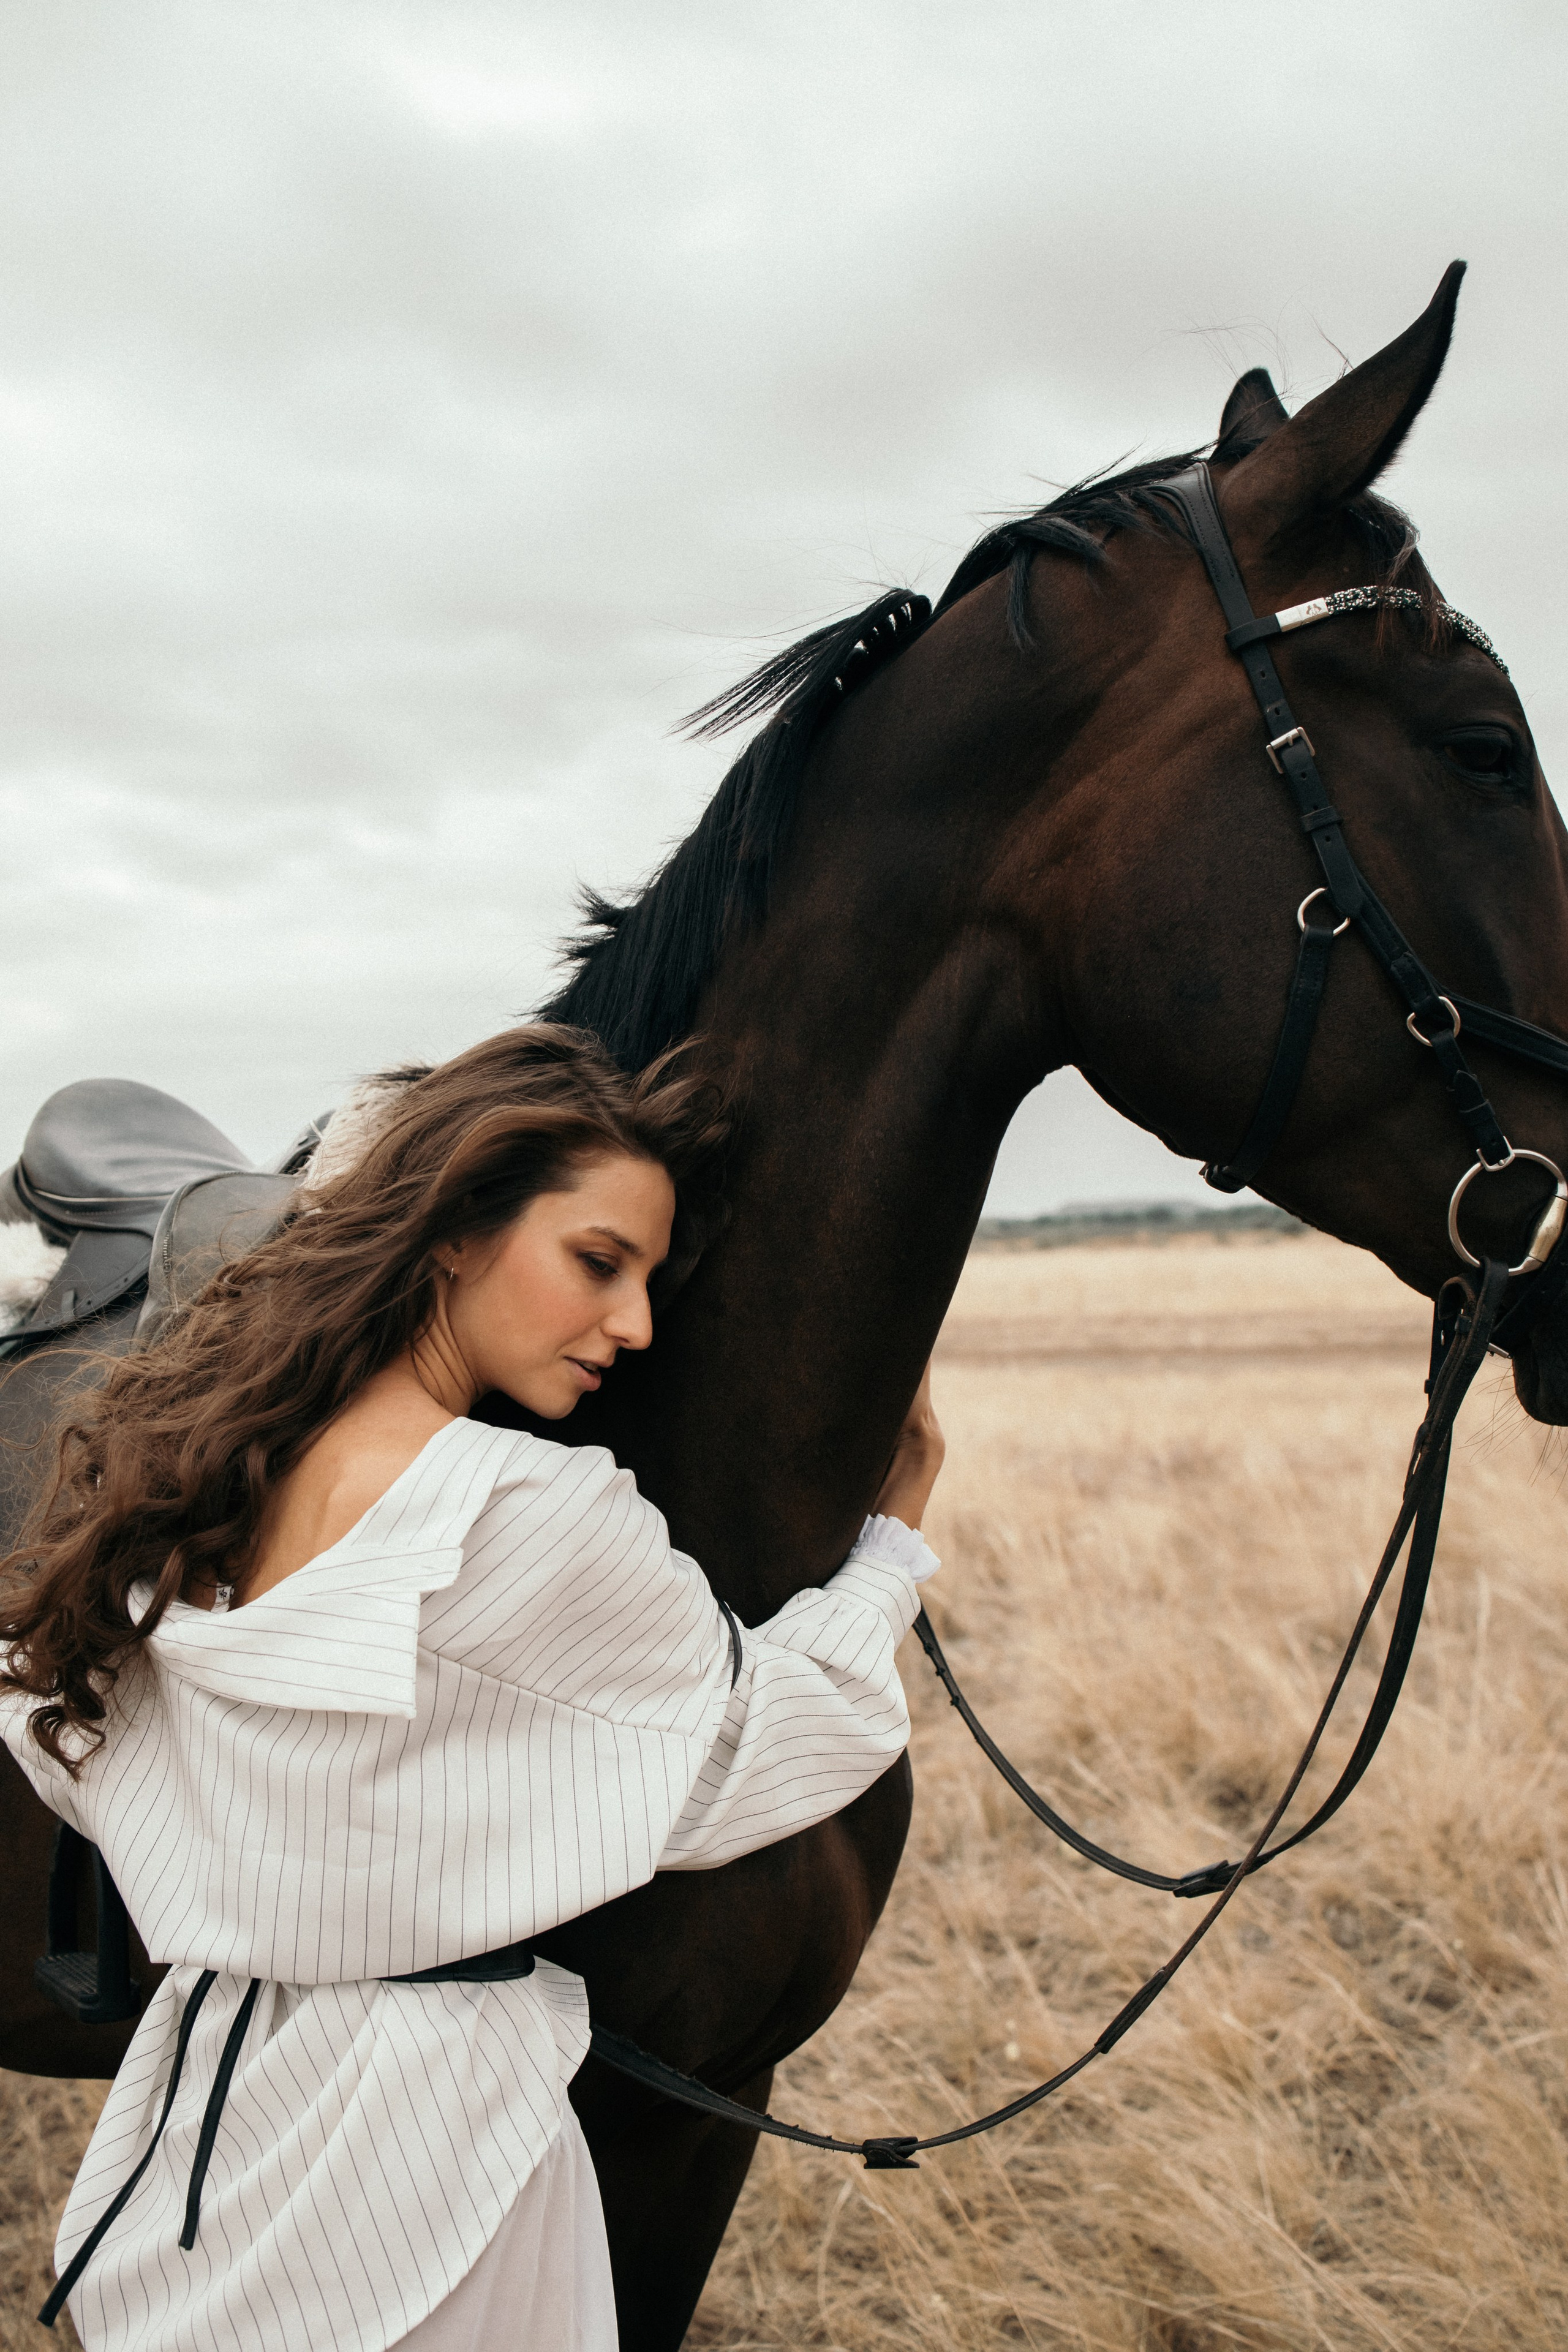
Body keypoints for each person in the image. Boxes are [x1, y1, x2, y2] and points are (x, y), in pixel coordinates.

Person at [0, 1023, 946, 2352]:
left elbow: (63, 1731)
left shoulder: (197, 1472)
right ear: (452, 1231)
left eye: (651, 1279)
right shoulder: (528, 1508)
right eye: (597, 1263)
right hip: (430, 2145)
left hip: (215, 2120)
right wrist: (888, 1553)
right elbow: (750, 1752)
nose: (633, 1324)